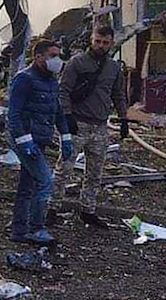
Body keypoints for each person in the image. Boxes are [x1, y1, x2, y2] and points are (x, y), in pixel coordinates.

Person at [52, 25, 128, 229]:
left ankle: (88, 210)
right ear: (91, 41)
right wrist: (67, 117)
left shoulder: (114, 68)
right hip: (78, 123)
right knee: (64, 169)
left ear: (111, 43)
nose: (101, 46)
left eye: (105, 42)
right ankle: (52, 208)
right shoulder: (77, 63)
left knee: (95, 173)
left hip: (100, 127)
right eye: (98, 41)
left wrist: (124, 119)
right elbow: (63, 91)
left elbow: (118, 94)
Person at [7, 39, 72, 245]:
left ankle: (19, 230)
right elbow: (14, 115)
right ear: (38, 57)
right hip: (26, 140)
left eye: (58, 56)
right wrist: (25, 142)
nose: (57, 60)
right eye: (52, 56)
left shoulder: (51, 80)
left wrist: (66, 137)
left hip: (39, 139)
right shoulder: (24, 79)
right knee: (45, 182)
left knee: (28, 185)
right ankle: (37, 228)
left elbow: (57, 110)